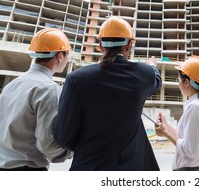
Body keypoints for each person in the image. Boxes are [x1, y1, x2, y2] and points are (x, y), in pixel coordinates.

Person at [54, 16, 162, 171]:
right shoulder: (144, 75)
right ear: (129, 45)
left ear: (100, 45)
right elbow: (156, 78)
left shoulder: (76, 79)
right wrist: (152, 66)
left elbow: (64, 137)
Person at [0, 28, 72, 171]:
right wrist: (70, 152)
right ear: (59, 56)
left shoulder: (12, 85)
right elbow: (48, 144)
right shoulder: (48, 89)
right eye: (67, 54)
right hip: (25, 170)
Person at [155, 55, 199, 171]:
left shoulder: (195, 107)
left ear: (186, 82)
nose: (178, 84)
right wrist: (166, 125)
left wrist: (166, 134)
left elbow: (190, 151)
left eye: (178, 80)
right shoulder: (196, 105)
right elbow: (183, 137)